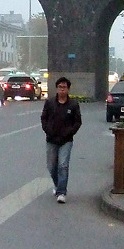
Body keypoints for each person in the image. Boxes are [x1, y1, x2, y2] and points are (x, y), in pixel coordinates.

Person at [40, 76, 82, 204]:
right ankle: (58, 185)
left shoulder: (73, 105)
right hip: (51, 139)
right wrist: (48, 130)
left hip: (66, 140)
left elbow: (77, 122)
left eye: (64, 87)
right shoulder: (50, 103)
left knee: (63, 165)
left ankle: (61, 192)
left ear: (68, 89)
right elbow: (43, 118)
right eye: (60, 87)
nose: (62, 89)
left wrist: (69, 132)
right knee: (51, 166)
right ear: (56, 88)